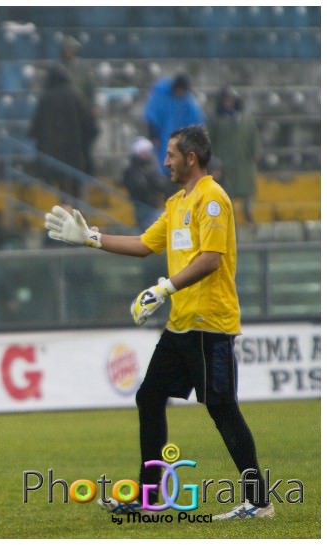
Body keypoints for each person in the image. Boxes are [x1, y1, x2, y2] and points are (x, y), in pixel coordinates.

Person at [44, 125, 273, 520]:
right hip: (181, 323)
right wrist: (91, 238)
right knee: (149, 396)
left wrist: (164, 287)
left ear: (191, 158)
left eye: (170, 154)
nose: (164, 160)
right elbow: (144, 245)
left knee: (222, 408)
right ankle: (152, 498)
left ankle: (259, 501)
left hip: (210, 323)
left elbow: (211, 258)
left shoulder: (212, 199)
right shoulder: (178, 203)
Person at [29, 64, 96, 200]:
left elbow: (34, 130)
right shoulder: (75, 96)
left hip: (52, 156)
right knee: (75, 189)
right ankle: (76, 214)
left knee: (61, 191)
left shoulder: (46, 99)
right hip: (75, 154)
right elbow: (91, 126)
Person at [208, 86, 261, 225]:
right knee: (226, 192)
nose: (228, 103)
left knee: (248, 190)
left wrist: (256, 151)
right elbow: (209, 140)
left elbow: (254, 136)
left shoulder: (245, 118)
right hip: (225, 162)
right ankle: (229, 219)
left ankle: (248, 215)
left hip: (244, 161)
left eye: (231, 100)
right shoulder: (215, 119)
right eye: (226, 100)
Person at [143, 73, 205, 176]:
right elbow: (151, 115)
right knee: (163, 162)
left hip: (181, 141)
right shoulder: (160, 94)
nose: (180, 93)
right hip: (162, 138)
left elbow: (196, 121)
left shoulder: (188, 101)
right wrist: (153, 135)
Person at [58, 34, 99, 175]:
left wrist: (92, 106)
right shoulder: (59, 68)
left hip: (82, 114)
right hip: (65, 115)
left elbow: (90, 89)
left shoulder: (82, 68)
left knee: (84, 146)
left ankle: (87, 172)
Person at [122, 136, 170, 231]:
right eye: (144, 151)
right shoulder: (132, 169)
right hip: (141, 204)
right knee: (147, 229)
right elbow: (137, 186)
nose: (147, 154)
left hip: (153, 203)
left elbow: (161, 184)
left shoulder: (152, 165)